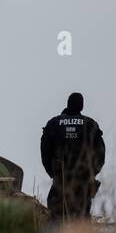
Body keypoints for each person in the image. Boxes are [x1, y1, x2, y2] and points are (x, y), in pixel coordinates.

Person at [40, 92, 105, 221]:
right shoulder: (90, 124)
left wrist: (53, 172)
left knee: (56, 220)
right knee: (81, 220)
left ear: (68, 103)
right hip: (82, 182)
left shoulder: (53, 123)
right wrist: (91, 173)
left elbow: (44, 151)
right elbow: (100, 152)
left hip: (60, 181)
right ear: (81, 106)